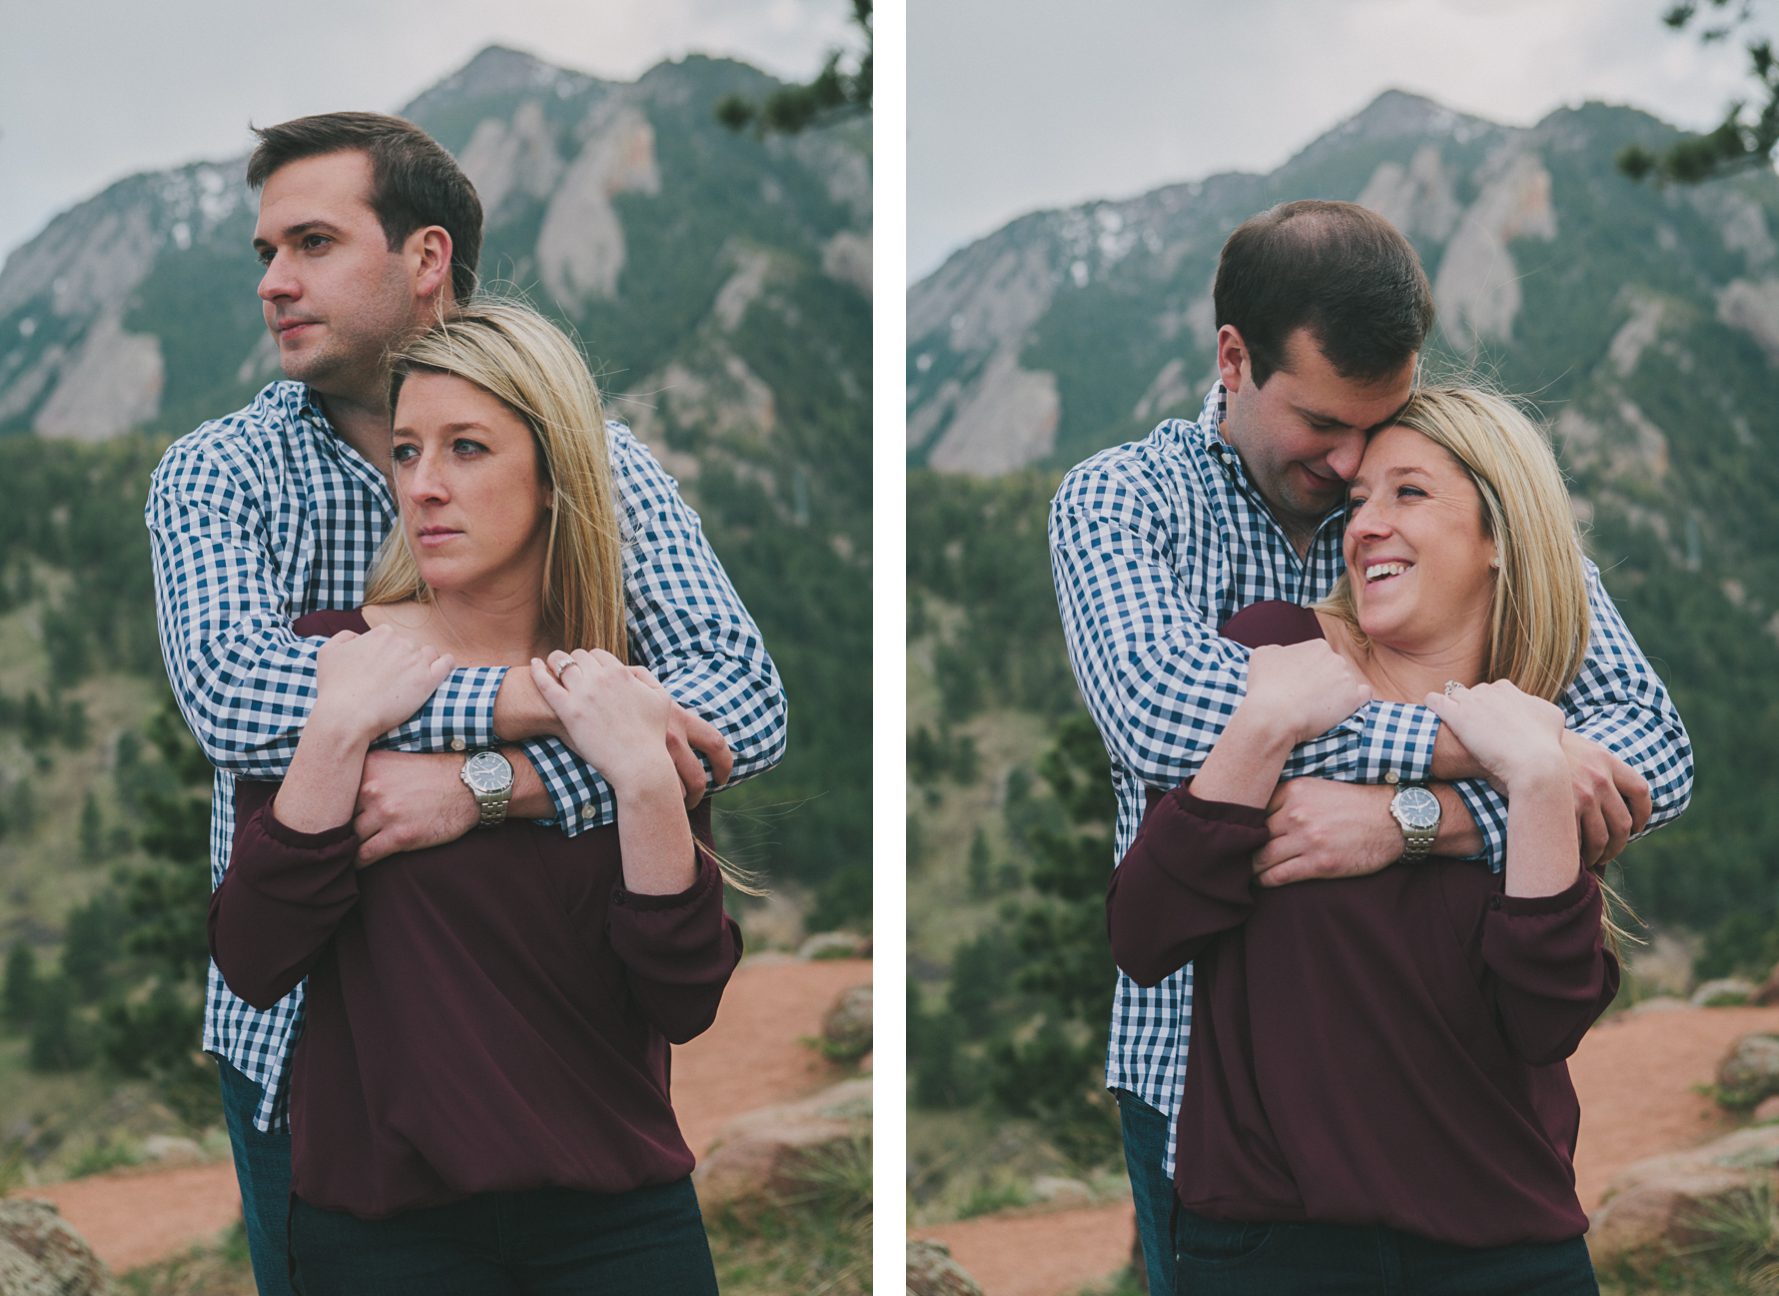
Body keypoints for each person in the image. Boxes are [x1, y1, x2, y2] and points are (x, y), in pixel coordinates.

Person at [147, 113, 785, 1295]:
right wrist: (551, 706)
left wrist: (484, 790)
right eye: (265, 252)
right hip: (304, 1054)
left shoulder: (597, 459)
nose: (275, 282)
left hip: (551, 1055)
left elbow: (736, 698)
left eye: (313, 242)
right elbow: (240, 705)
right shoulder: (220, 472)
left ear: (426, 258)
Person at [1048, 200, 1692, 1291]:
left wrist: (1413, 826)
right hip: (1200, 1073)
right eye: (1323, 425)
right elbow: (1166, 719)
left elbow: (1649, 754)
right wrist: (1487, 746)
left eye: (1381, 426)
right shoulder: (1122, 500)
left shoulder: (1461, 507)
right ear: (1234, 358)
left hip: (1456, 1112)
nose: (1353, 470)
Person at [208, 302, 740, 1292]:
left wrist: (640, 781)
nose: (425, 486)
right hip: (383, 1236)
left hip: (620, 1221)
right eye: (407, 452)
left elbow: (684, 993)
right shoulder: (334, 659)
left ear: (553, 475)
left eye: (467, 448)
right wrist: (333, 731)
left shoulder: (621, 692)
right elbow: (252, 954)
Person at [1107, 386, 1623, 1293]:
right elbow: (1143, 933)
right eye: (1357, 502)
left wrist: (1537, 781)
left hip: (1506, 1248)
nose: (1364, 527)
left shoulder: (1541, 730)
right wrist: (1260, 728)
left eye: (1408, 495)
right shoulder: (1275, 652)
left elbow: (1545, 1022)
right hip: (1275, 1251)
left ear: (1499, 535)